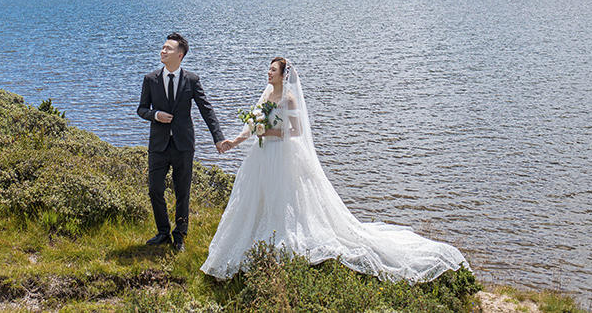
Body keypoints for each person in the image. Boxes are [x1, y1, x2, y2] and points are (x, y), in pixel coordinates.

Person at [201, 57, 469, 281]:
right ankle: (253, 241)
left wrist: (268, 130)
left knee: (286, 199)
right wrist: (234, 141)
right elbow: (252, 123)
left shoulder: (290, 99)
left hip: (283, 156)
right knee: (254, 199)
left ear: (284, 75)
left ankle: (280, 240)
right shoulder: (268, 93)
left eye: (273, 69)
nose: (268, 73)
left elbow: (296, 131)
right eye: (268, 69)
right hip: (263, 156)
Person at [137, 32, 232, 252]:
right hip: (158, 145)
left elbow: (206, 109)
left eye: (168, 49)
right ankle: (162, 231)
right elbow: (141, 109)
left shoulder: (191, 80)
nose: (163, 51)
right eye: (162, 48)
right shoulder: (150, 79)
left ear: (180, 55)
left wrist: (218, 137)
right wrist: (155, 115)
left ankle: (179, 235)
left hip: (183, 145)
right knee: (154, 189)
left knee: (183, 192)